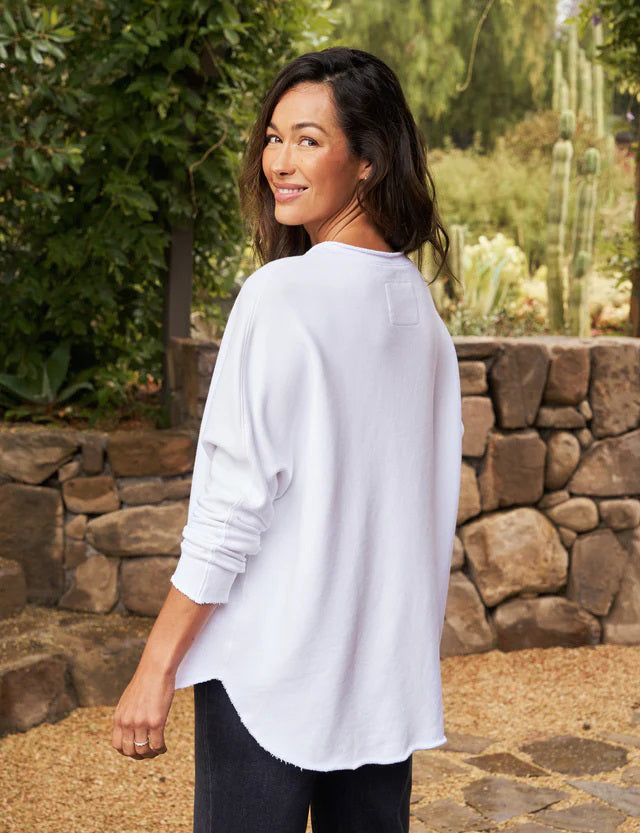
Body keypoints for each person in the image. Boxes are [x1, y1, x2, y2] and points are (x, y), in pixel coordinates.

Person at [111, 46, 464, 833]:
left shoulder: (281, 297)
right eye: (274, 137)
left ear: (367, 160)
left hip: (270, 675)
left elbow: (232, 509)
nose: (279, 161)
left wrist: (156, 665)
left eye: (308, 139)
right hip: (379, 684)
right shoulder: (419, 316)